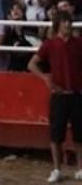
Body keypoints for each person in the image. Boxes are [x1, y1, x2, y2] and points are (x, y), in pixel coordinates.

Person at [28, 10, 82, 184]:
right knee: (56, 135)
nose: (68, 24)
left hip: (76, 93)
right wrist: (45, 78)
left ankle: (80, 169)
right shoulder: (50, 44)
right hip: (60, 95)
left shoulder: (78, 43)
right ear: (58, 24)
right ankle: (57, 169)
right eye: (65, 22)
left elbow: (33, 64)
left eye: (69, 21)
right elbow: (32, 64)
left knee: (79, 134)